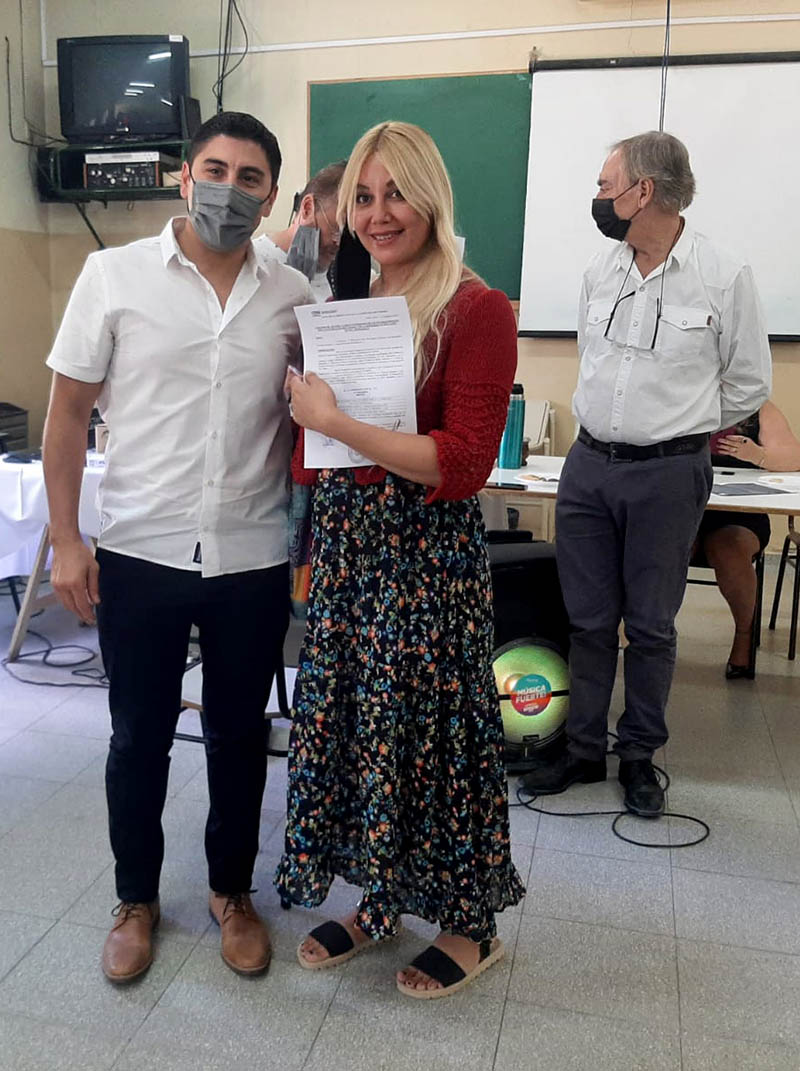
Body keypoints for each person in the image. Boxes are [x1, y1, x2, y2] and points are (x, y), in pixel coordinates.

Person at [42, 111, 312, 983]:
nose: (229, 190)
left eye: (250, 177)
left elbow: (315, 423)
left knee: (238, 735)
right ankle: (136, 899)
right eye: (215, 170)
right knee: (138, 737)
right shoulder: (113, 276)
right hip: (140, 550)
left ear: (272, 195)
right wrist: (67, 539)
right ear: (184, 177)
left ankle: (232, 892)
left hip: (251, 555)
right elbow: (67, 415)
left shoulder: (294, 298)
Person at [275, 121, 525, 999]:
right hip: (352, 555)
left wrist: (336, 421)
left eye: (396, 194)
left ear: (432, 197)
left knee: (434, 739)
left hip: (426, 565)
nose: (379, 214)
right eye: (364, 198)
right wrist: (307, 412)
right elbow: (318, 458)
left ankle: (470, 923)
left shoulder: (477, 308)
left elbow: (464, 462)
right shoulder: (351, 304)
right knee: (358, 731)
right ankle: (377, 900)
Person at [523, 131, 772, 817]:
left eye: (606, 186)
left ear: (644, 191)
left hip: (668, 472)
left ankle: (638, 756)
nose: (598, 198)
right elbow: (593, 357)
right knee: (589, 619)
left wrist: (681, 425)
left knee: (652, 625)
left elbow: (748, 382)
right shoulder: (600, 271)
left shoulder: (723, 274)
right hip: (589, 466)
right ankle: (582, 750)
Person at [694, 402, 800, 678]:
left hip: (741, 514)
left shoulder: (758, 409)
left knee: (728, 550)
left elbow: (794, 458)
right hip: (684, 505)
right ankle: (647, 635)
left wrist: (759, 456)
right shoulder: (682, 398)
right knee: (658, 545)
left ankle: (744, 633)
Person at [254, 160, 346, 301]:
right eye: (337, 230)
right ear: (308, 209)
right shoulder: (252, 263)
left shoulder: (352, 277)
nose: (340, 243)